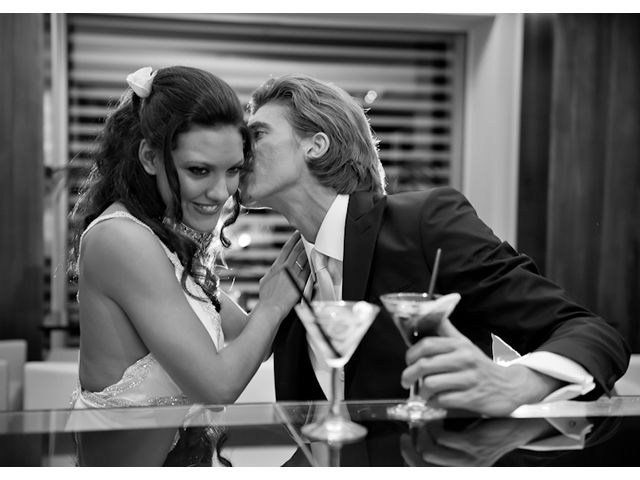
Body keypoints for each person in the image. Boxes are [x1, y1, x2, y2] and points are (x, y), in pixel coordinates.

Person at [239, 73, 630, 417]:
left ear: (316, 144)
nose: (240, 151)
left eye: (257, 134)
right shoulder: (285, 281)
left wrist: (515, 384)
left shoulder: (424, 223)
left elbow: (588, 332)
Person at [67, 66, 309, 466]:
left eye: (233, 170)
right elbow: (217, 386)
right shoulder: (121, 238)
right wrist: (273, 302)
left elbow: (251, 338)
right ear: (149, 156)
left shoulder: (163, 236)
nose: (220, 192)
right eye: (199, 170)